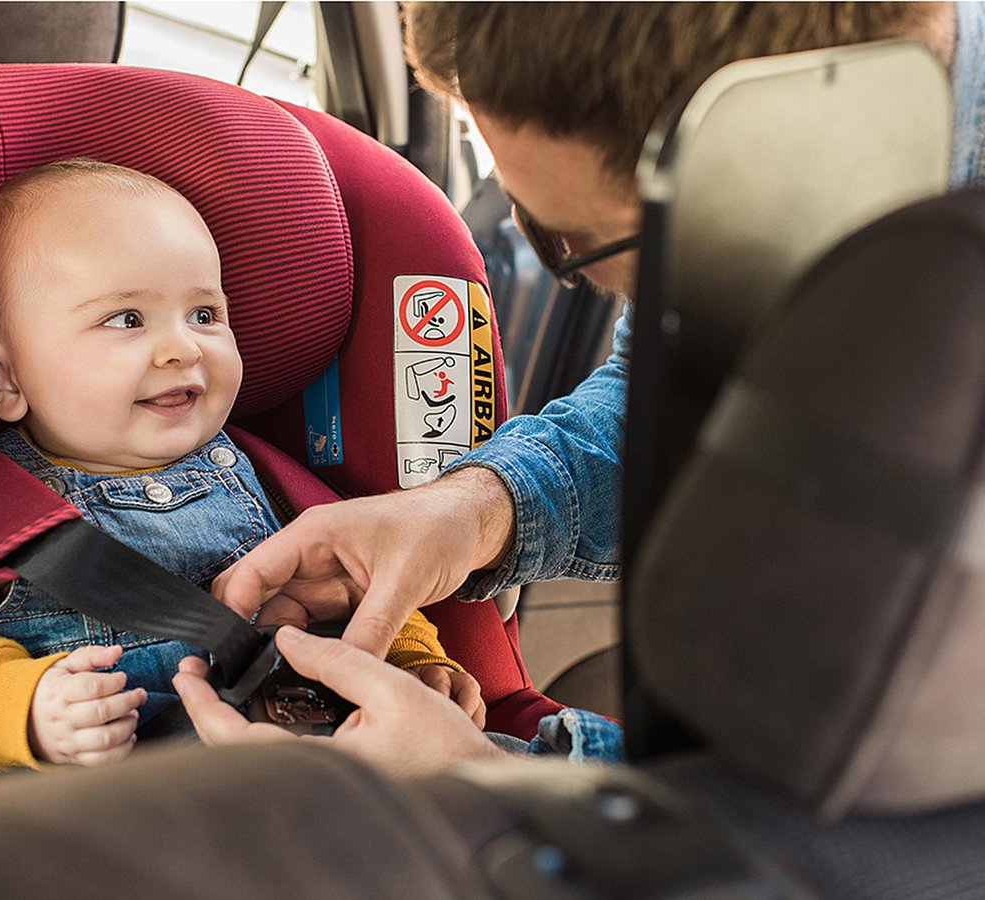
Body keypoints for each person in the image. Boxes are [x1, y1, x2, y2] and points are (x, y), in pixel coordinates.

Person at [176, 1, 983, 775]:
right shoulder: (769, 188)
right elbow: (671, 382)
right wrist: (473, 509)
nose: (577, 275)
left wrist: (495, 780)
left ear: (788, 142)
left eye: (585, 238)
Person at [0, 158, 484, 770]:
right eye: (126, 320)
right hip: (151, 798)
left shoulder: (265, 477)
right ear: (2, 376)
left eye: (204, 315)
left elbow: (361, 580)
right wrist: (29, 708)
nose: (183, 348)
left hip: (337, 754)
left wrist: (413, 660)